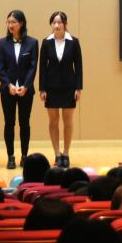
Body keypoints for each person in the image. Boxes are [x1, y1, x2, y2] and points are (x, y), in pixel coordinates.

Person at [38, 11, 83, 169]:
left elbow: (79, 66)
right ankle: (57, 154)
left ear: (65, 24)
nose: (56, 25)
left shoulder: (74, 42)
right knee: (53, 121)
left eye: (59, 22)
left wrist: (78, 87)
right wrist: (42, 88)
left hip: (69, 87)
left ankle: (66, 153)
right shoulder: (46, 42)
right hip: (51, 88)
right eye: (54, 22)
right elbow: (42, 67)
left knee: (68, 120)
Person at [0, 9, 37, 170]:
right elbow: (0, 67)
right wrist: (8, 85)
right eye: (8, 22)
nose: (10, 25)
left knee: (24, 123)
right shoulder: (3, 42)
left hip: (26, 90)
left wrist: (26, 86)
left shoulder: (32, 42)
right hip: (8, 90)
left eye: (13, 22)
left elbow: (33, 67)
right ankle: (11, 156)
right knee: (9, 123)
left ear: (21, 23)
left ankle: (24, 156)